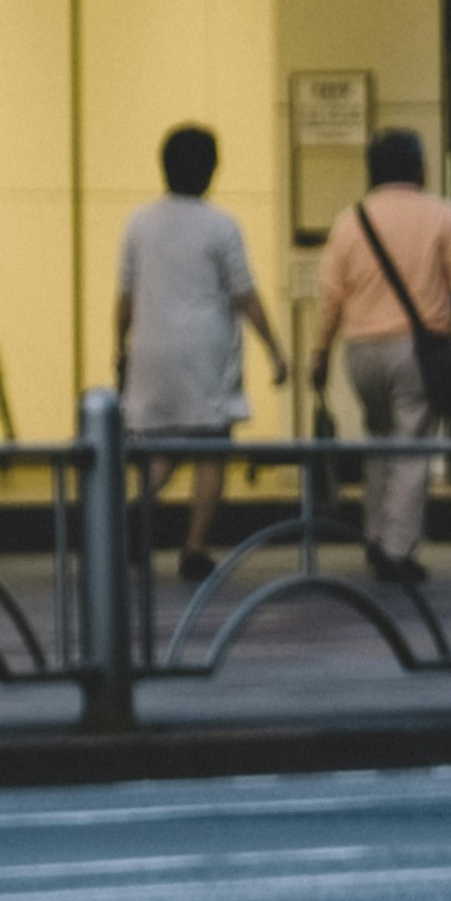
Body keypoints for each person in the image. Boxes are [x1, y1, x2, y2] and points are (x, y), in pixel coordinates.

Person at [311, 126, 451, 592]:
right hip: (416, 349)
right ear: (419, 166)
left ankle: (374, 534)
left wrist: (320, 352)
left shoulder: (350, 220)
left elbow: (330, 296)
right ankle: (396, 547)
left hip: (361, 352)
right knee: (412, 448)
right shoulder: (441, 214)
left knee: (379, 442)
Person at [114, 123, 282, 585]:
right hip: (205, 353)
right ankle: (194, 548)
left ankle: (134, 512)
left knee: (161, 448)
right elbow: (244, 296)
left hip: (151, 350)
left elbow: (125, 298)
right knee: (211, 448)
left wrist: (120, 348)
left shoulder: (139, 222)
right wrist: (275, 351)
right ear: (209, 170)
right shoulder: (221, 224)